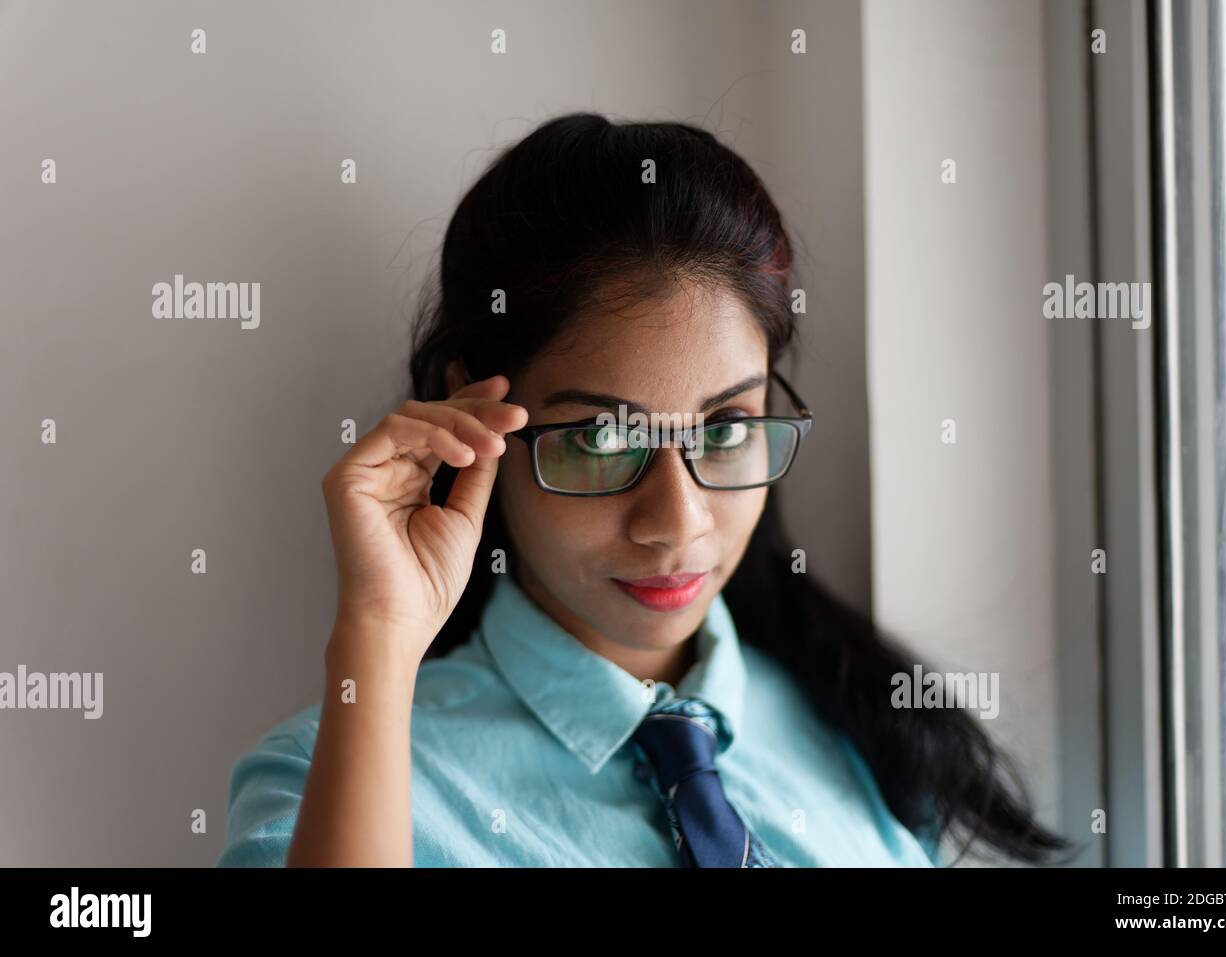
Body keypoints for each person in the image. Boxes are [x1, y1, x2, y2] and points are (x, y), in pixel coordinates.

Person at [216, 113, 1072, 868]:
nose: (677, 521)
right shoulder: (334, 785)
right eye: (600, 436)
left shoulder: (868, 728)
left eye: (727, 427)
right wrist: (377, 632)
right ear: (474, 417)